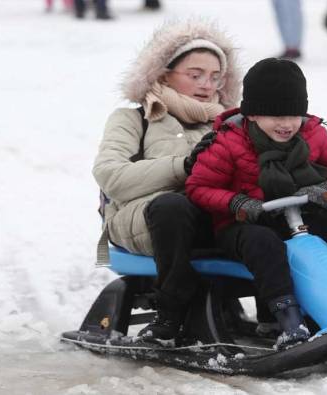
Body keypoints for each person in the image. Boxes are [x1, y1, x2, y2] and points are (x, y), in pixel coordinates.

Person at [186, 58, 327, 349]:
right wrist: (237, 202)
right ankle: (288, 320)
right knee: (265, 241)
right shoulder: (227, 144)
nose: (286, 125)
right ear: (254, 115)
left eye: (293, 115)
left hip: (300, 224)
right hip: (246, 226)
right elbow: (198, 187)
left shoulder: (312, 136)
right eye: (275, 116)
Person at [92, 21, 241, 344]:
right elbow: (111, 176)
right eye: (195, 74)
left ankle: (289, 312)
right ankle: (171, 313)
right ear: (162, 74)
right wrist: (183, 166)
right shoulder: (133, 119)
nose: (207, 84)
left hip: (207, 217)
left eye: (216, 77)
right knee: (173, 206)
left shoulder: (227, 126)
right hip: (143, 219)